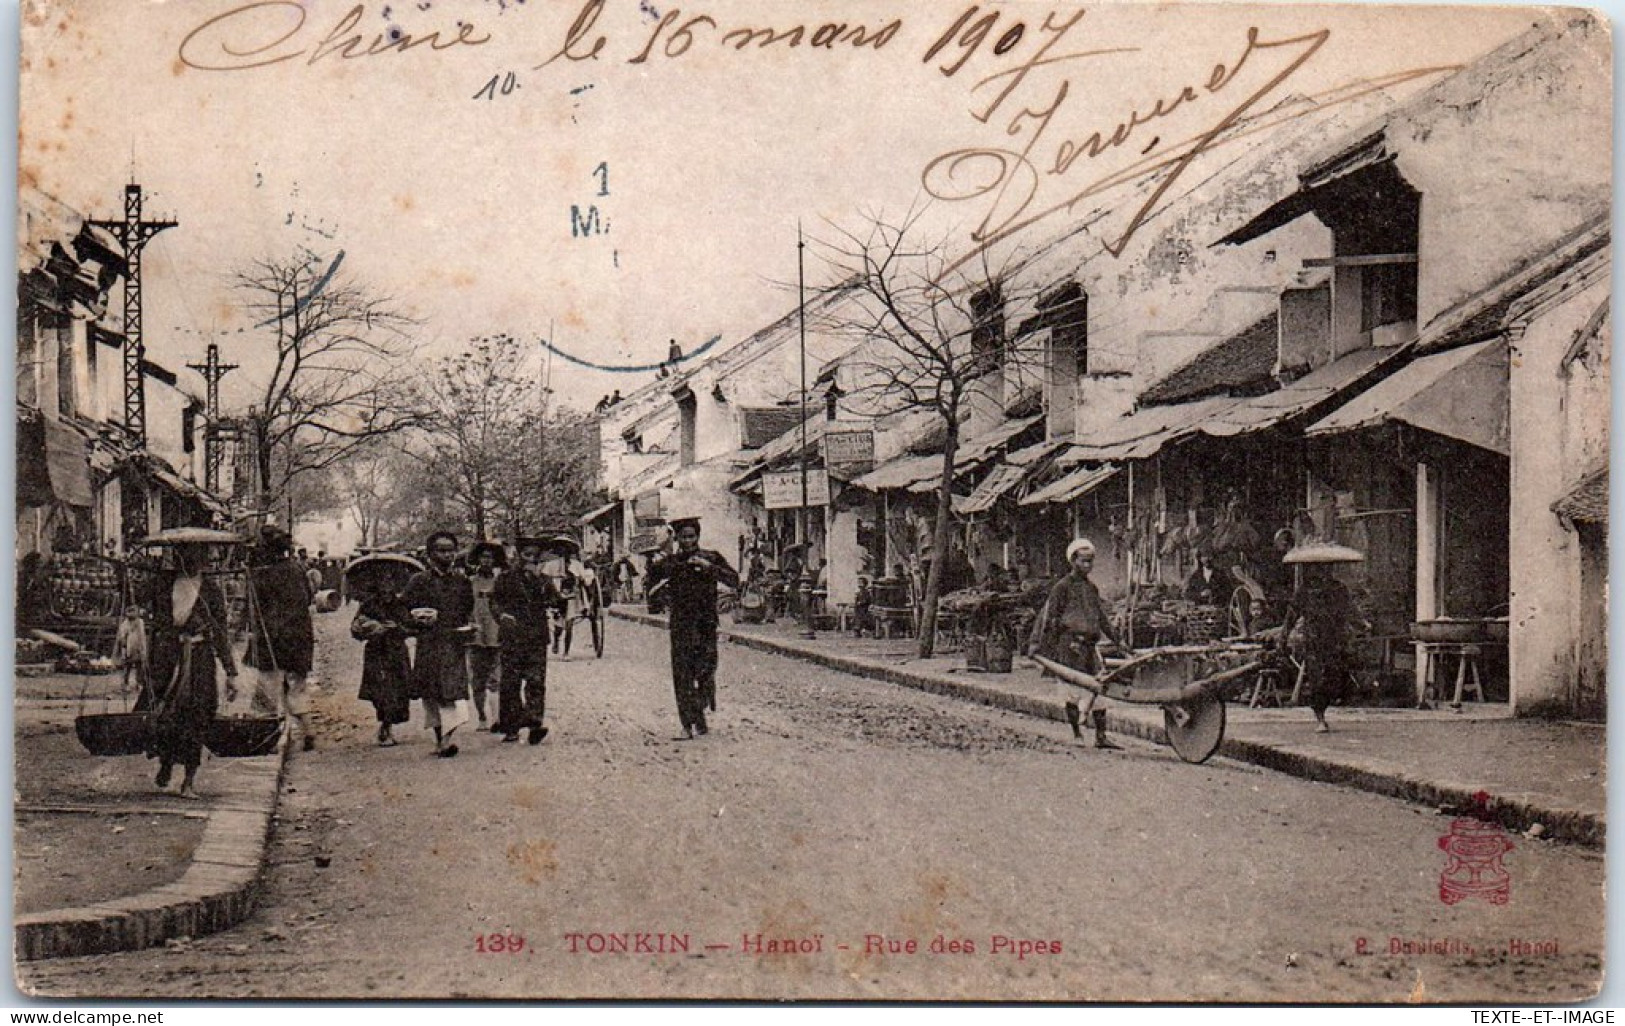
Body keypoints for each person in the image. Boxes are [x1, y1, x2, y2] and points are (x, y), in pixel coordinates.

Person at [140, 541, 237, 798]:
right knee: (162, 711)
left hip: (199, 658)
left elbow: (220, 632)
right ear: (177, 558)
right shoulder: (163, 583)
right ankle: (166, 763)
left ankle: (189, 780)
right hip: (168, 655)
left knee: (198, 716)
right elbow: (139, 597)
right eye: (184, 556)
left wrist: (231, 672)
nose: (190, 561)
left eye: (195, 556)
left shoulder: (211, 591)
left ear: (203, 559)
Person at [645, 516, 739, 739]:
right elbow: (651, 588)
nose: (688, 541)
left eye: (692, 536)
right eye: (684, 537)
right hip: (681, 625)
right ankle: (687, 725)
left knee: (706, 670)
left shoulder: (711, 557)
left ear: (698, 536)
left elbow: (734, 579)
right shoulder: (670, 563)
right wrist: (656, 562)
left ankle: (700, 709)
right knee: (683, 675)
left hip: (706, 623)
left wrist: (711, 569)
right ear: (677, 538)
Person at [1027, 538, 1121, 750]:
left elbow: (1102, 617)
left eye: (1090, 561)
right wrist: (1041, 646)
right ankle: (1077, 734)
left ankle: (1101, 736)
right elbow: (1050, 618)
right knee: (1071, 691)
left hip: (1090, 646)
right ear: (1073, 561)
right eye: (1083, 561)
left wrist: (1118, 641)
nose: (1088, 566)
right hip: (1070, 645)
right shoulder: (1062, 587)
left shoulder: (1092, 588)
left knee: (1099, 688)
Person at [402, 531, 475, 757]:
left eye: (450, 550)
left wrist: (469, 627)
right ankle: (439, 738)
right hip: (429, 641)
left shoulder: (462, 581)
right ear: (430, 554)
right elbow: (405, 609)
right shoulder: (419, 581)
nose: (447, 555)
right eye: (441, 551)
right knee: (431, 693)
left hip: (453, 641)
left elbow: (467, 608)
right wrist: (418, 618)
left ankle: (446, 738)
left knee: (451, 692)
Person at [245, 526, 318, 751]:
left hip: (273, 638)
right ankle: (308, 731)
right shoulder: (297, 569)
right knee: (297, 687)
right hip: (299, 637)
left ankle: (266, 738)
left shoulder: (262, 575)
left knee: (267, 687)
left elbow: (256, 610)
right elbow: (308, 599)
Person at [492, 537, 565, 744]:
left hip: (536, 637)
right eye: (527, 555)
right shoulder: (505, 579)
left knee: (536, 681)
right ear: (518, 556)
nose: (531, 560)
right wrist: (501, 616)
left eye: (535, 556)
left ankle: (535, 724)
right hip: (512, 637)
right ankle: (511, 727)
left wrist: (555, 603)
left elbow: (556, 601)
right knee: (510, 683)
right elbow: (495, 602)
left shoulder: (544, 581)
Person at [1280, 561, 1358, 733]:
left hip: (1335, 640)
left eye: (1327, 568)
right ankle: (1320, 718)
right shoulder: (1305, 590)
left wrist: (1360, 623)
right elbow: (1292, 615)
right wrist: (1284, 637)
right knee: (1317, 679)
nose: (1323, 571)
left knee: (1335, 677)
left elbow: (1350, 610)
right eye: (1319, 568)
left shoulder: (1339, 589)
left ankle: (1327, 706)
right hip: (1314, 640)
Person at [349, 563, 414, 747]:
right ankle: (385, 724)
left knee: (396, 690)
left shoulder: (401, 604)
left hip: (396, 651)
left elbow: (411, 627)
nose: (386, 585)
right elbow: (355, 630)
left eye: (390, 581)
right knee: (379, 691)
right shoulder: (368, 605)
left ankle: (386, 726)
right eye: (382, 581)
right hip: (376, 652)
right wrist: (370, 630)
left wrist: (398, 628)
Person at [466, 540, 506, 728]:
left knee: (496, 677)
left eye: (490, 557)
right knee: (477, 679)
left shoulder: (501, 582)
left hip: (496, 632)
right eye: (483, 557)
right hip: (475, 635)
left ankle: (497, 717)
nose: (486, 561)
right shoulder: (469, 583)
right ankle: (482, 716)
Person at [114, 604, 149, 699]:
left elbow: (142, 635)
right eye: (130, 611)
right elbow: (122, 637)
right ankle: (125, 683)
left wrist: (142, 648)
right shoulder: (125, 624)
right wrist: (124, 647)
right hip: (129, 647)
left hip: (138, 646)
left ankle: (139, 683)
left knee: (139, 666)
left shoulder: (140, 622)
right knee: (127, 666)